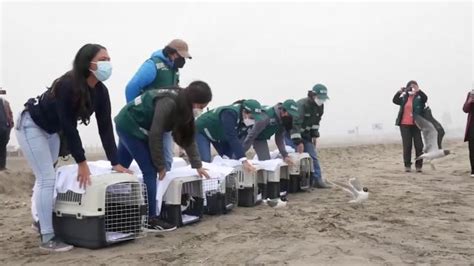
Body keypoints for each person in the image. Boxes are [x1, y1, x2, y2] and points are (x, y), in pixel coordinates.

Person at [15, 44, 130, 252]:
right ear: (88, 62)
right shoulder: (68, 84)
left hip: (52, 131)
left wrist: (116, 162)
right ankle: (47, 237)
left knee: (48, 177)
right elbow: (68, 126)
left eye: (109, 59)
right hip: (32, 125)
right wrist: (82, 162)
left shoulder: (101, 92)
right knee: (46, 178)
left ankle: (40, 221)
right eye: (103, 59)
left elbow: (105, 128)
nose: (108, 64)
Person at [115, 81, 212, 231]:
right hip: (129, 125)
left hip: (138, 126)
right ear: (193, 101)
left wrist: (197, 165)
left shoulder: (184, 106)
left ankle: (117, 209)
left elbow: (188, 137)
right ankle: (151, 219)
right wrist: (160, 165)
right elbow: (156, 134)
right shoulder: (169, 102)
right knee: (150, 170)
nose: (200, 110)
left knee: (121, 167)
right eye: (200, 106)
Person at [120, 39, 192, 171]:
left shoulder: (174, 70)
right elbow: (131, 87)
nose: (183, 61)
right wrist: (133, 113)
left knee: (166, 161)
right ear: (172, 53)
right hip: (146, 117)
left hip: (164, 118)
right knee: (124, 160)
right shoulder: (153, 65)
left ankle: (162, 188)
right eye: (181, 57)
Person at [195, 99, 264, 172]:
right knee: (205, 160)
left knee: (227, 160)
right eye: (252, 118)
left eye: (255, 119)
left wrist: (227, 156)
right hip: (202, 131)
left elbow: (239, 138)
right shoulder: (229, 113)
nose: (253, 121)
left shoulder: (246, 121)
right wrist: (244, 160)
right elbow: (232, 136)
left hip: (219, 134)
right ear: (244, 112)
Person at [287, 84, 331, 188]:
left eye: (323, 99)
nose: (322, 101)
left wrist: (314, 136)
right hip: (292, 135)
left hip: (306, 136)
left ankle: (317, 180)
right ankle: (293, 183)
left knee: (313, 156)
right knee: (295, 158)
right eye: (320, 98)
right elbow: (295, 124)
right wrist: (298, 141)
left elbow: (316, 122)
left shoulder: (320, 107)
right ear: (313, 95)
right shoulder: (302, 105)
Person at [242, 99, 299, 164]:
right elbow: (251, 136)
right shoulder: (267, 117)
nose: (290, 117)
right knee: (237, 156)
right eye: (290, 114)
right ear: (283, 110)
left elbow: (279, 138)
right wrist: (241, 156)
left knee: (266, 162)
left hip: (261, 138)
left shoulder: (283, 120)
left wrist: (285, 155)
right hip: (246, 134)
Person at [393, 80, 427, 173]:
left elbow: (425, 98)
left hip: (416, 125)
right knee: (407, 146)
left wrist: (418, 90)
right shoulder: (404, 97)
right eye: (410, 86)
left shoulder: (419, 97)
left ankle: (419, 166)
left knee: (419, 146)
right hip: (404, 125)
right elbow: (395, 101)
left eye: (414, 86)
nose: (412, 88)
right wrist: (400, 91)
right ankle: (407, 165)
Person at [0, 89, 13, 170]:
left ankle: (2, 166)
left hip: (4, 128)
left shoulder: (5, 102)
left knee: (2, 148)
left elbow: (10, 115)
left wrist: (10, 125)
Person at [463, 88, 474, 177]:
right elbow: (465, 109)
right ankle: (473, 170)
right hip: (472, 126)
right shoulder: (471, 94)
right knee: (472, 149)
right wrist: (469, 101)